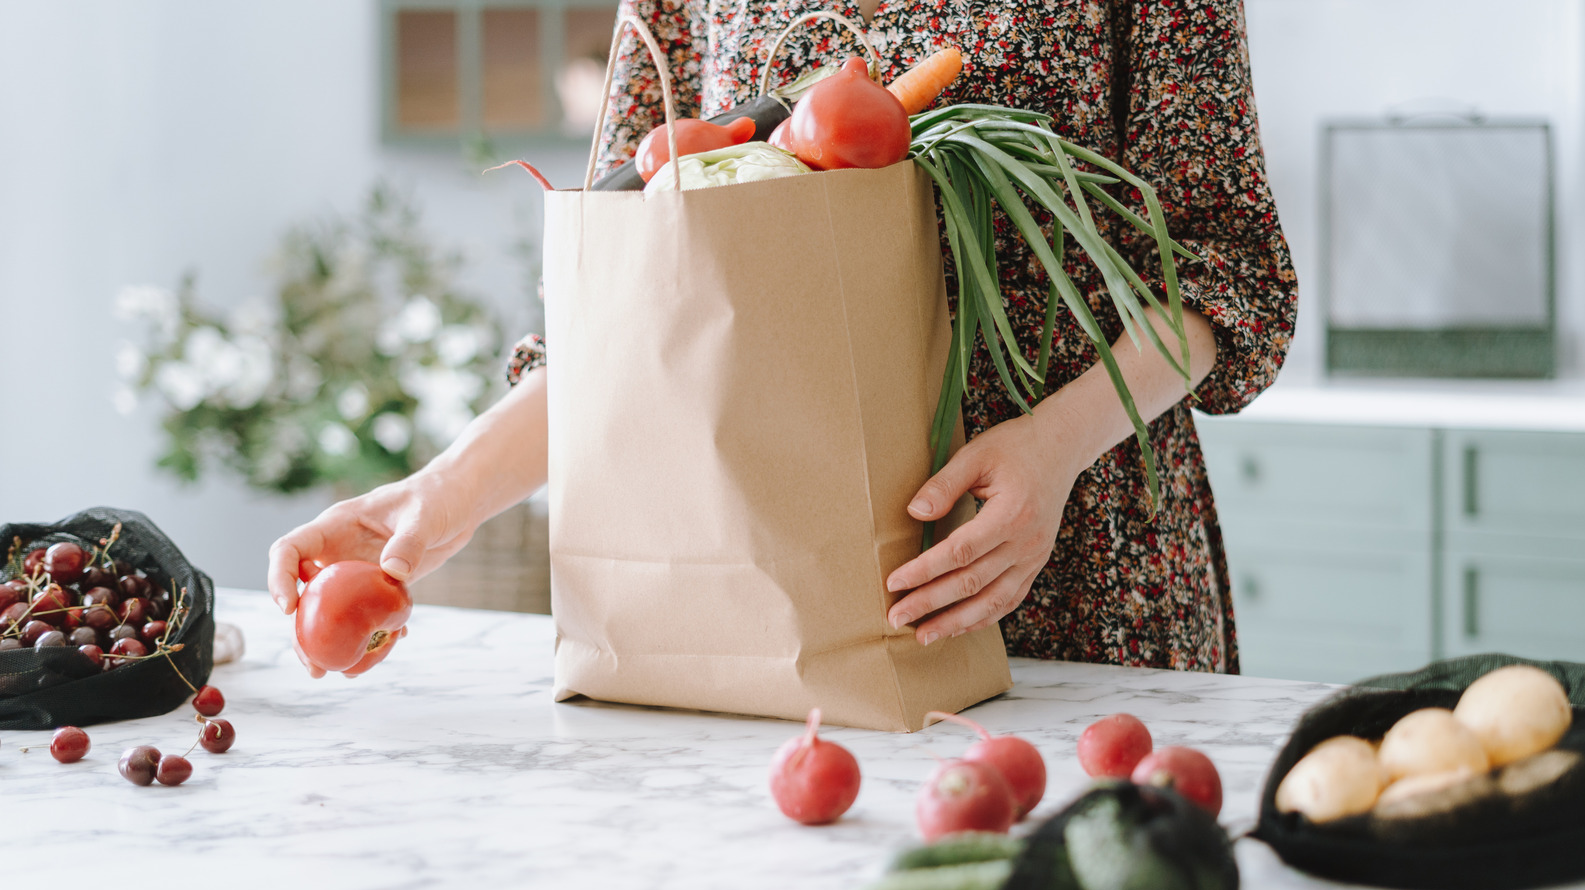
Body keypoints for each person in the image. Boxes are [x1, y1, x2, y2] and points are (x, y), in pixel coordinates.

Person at [269, 0, 1296, 675]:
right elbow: (636, 288)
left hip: (1075, 561)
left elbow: (1226, 268)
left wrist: (1055, 445)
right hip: (769, 579)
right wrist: (435, 498)